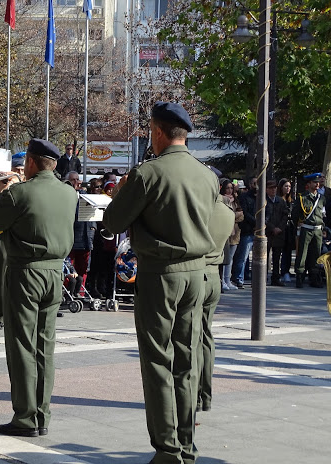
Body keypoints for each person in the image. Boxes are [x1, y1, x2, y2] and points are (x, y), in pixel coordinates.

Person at [102, 102, 219, 463]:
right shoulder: (207, 175)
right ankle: (186, 444)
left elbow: (111, 224)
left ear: (157, 131)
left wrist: (120, 196)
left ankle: (167, 449)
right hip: (197, 273)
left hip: (160, 275)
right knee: (187, 360)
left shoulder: (148, 173)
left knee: (157, 360)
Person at [0, 138, 77, 438]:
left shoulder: (19, 192)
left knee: (22, 345)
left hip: (26, 272)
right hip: (55, 272)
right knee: (44, 347)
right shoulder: (68, 193)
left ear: (32, 162)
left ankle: (25, 417)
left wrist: (1, 194)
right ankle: (42, 414)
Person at [199, 194, 234, 412]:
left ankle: (192, 397)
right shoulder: (228, 211)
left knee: (189, 340)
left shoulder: (203, 209)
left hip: (197, 274)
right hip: (215, 276)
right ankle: (206, 396)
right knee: (206, 337)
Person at [292, 173, 326, 288]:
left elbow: (322, 214)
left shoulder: (321, 199)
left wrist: (323, 227)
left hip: (317, 230)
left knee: (316, 254)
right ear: (309, 184)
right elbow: (295, 215)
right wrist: (298, 224)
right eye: (314, 182)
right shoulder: (302, 197)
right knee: (302, 254)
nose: (317, 184)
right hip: (306, 229)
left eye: (318, 182)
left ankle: (314, 277)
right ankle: (300, 277)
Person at [231, 177, 258, 289]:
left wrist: (263, 223)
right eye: (254, 183)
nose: (256, 185)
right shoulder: (245, 197)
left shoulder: (262, 197)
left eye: (258, 183)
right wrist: (256, 222)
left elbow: (268, 211)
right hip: (248, 230)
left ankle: (257, 278)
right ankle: (239, 278)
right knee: (243, 257)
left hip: (260, 231)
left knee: (260, 257)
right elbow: (245, 213)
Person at [219, 179, 243, 291]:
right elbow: (224, 214)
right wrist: (233, 215)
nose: (229, 190)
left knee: (231, 258)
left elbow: (242, 215)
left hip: (235, 232)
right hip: (224, 231)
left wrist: (233, 215)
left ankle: (228, 280)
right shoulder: (221, 200)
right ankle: (222, 280)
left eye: (231, 188)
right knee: (224, 257)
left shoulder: (235, 200)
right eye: (227, 188)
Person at [266, 180, 289, 286]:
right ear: (266, 189)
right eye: (271, 188)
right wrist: (272, 228)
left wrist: (280, 228)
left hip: (279, 233)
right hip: (267, 232)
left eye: (274, 188)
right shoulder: (263, 201)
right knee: (264, 256)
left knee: (277, 257)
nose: (273, 190)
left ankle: (276, 278)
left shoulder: (281, 201)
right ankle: (263, 277)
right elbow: (262, 217)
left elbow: (285, 216)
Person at [278, 178, 296, 282]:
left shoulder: (291, 200)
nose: (288, 188)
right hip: (280, 228)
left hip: (289, 229)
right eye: (286, 186)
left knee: (287, 251)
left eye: (289, 186)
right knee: (277, 251)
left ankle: (285, 271)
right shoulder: (278, 199)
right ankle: (277, 272)